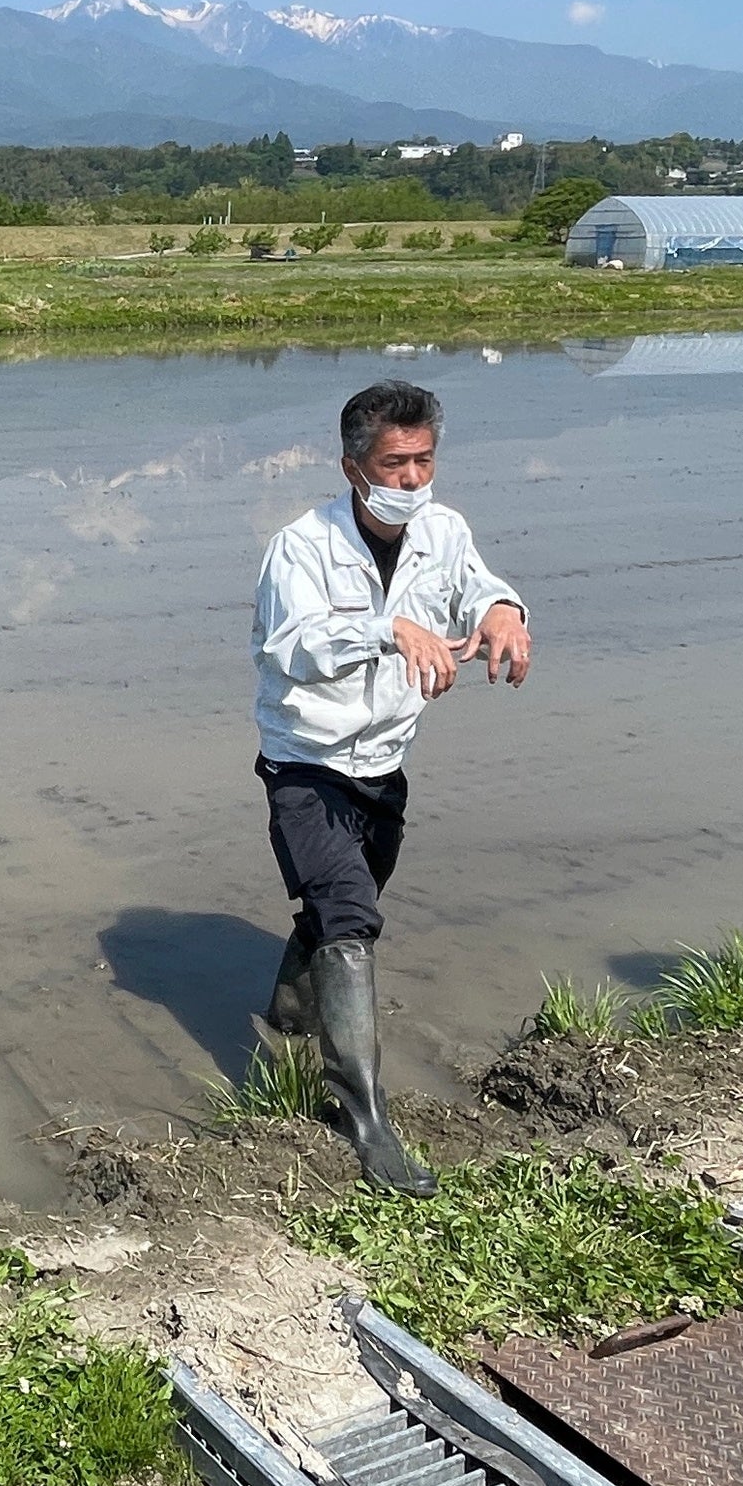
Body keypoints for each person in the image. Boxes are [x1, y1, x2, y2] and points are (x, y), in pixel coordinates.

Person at [251, 378, 534, 1196]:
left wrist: (506, 611)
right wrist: (387, 627)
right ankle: (364, 1113)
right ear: (352, 467)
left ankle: (290, 1015)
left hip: (384, 762)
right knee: (351, 918)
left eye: (423, 460)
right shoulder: (300, 546)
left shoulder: (444, 530)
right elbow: (291, 646)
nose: (412, 479)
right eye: (394, 463)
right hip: (305, 761)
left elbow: (481, 585)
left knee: (344, 906)